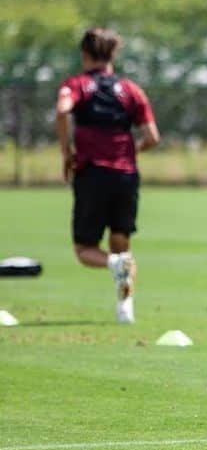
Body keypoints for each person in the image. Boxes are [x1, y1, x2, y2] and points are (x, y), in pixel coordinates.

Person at [55, 27, 160, 324]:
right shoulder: (131, 89)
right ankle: (125, 307)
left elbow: (63, 111)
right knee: (121, 243)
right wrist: (130, 152)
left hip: (92, 173)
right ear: (112, 55)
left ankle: (112, 264)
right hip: (126, 175)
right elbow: (152, 136)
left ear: (84, 54)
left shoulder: (77, 85)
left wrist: (67, 152)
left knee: (85, 249)